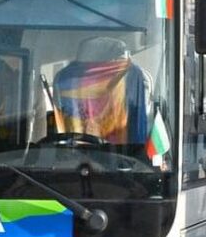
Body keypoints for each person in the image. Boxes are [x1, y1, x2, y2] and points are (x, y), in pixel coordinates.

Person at [53, 34, 167, 166]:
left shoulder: (64, 78)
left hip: (73, 163)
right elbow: (137, 128)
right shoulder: (133, 76)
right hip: (123, 165)